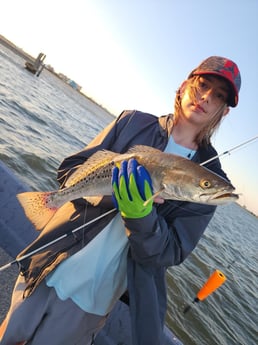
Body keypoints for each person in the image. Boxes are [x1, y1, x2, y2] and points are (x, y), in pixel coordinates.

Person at [0, 56, 241, 345]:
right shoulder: (132, 122)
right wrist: (101, 188)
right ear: (184, 85)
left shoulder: (211, 178)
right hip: (50, 262)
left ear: (224, 112)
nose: (205, 97)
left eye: (218, 96)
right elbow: (68, 171)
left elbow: (171, 252)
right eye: (202, 85)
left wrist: (140, 215)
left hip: (94, 296)